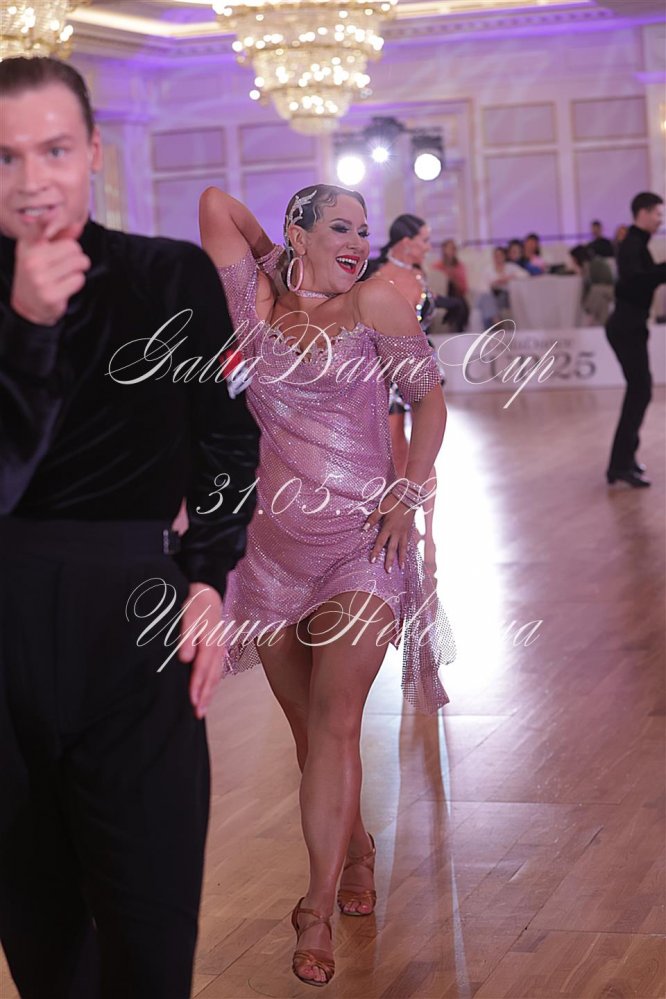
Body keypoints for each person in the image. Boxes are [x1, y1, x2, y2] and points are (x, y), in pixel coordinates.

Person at [0, 57, 260, 999]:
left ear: (94, 153)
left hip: (137, 620)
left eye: (53, 150)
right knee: (42, 946)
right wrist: (27, 325)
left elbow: (229, 439)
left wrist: (209, 577)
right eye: (4, 157)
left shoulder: (166, 274)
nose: (32, 179)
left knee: (152, 933)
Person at [199, 184, 455, 987]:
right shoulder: (254, 306)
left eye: (363, 230)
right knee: (310, 735)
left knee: (337, 721)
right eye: (340, 227)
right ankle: (358, 847)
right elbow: (214, 203)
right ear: (296, 233)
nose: (357, 242)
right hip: (269, 554)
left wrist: (407, 491)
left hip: (362, 543)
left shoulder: (375, 301)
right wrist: (276, 263)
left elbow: (429, 400)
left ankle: (313, 906)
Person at [364, 213, 442, 574]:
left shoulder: (418, 275)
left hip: (422, 369)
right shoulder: (379, 278)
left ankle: (429, 529)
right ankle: (404, 523)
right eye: (424, 240)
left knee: (424, 448)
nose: (428, 247)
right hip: (389, 372)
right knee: (398, 448)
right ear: (406, 242)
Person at [605, 191, 666, 487]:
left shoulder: (637, 243)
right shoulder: (632, 243)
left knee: (640, 390)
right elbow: (634, 283)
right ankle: (620, 464)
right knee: (640, 390)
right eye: (658, 213)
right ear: (643, 212)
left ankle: (624, 461)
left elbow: (643, 278)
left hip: (630, 326)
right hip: (626, 327)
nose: (660, 219)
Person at [478, 244, 527, 329]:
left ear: (504, 256)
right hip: (492, 294)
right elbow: (483, 286)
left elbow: (525, 275)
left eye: (500, 255)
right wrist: (493, 283)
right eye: (496, 256)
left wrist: (509, 278)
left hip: (505, 295)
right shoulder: (488, 270)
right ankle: (496, 320)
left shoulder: (510, 267)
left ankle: (493, 324)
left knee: (489, 303)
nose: (498, 258)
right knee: (486, 299)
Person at [570, 243, 615, 325]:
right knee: (602, 301)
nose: (573, 261)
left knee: (596, 291)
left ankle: (590, 314)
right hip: (603, 291)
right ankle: (602, 324)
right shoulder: (591, 264)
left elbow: (591, 283)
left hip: (608, 289)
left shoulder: (592, 264)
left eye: (573, 259)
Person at [432, 237, 470, 331]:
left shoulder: (459, 266)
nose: (450, 251)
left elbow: (463, 288)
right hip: (441, 296)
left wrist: (453, 277)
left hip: (456, 295)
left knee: (461, 305)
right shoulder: (436, 267)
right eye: (448, 248)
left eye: (453, 248)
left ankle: (458, 329)